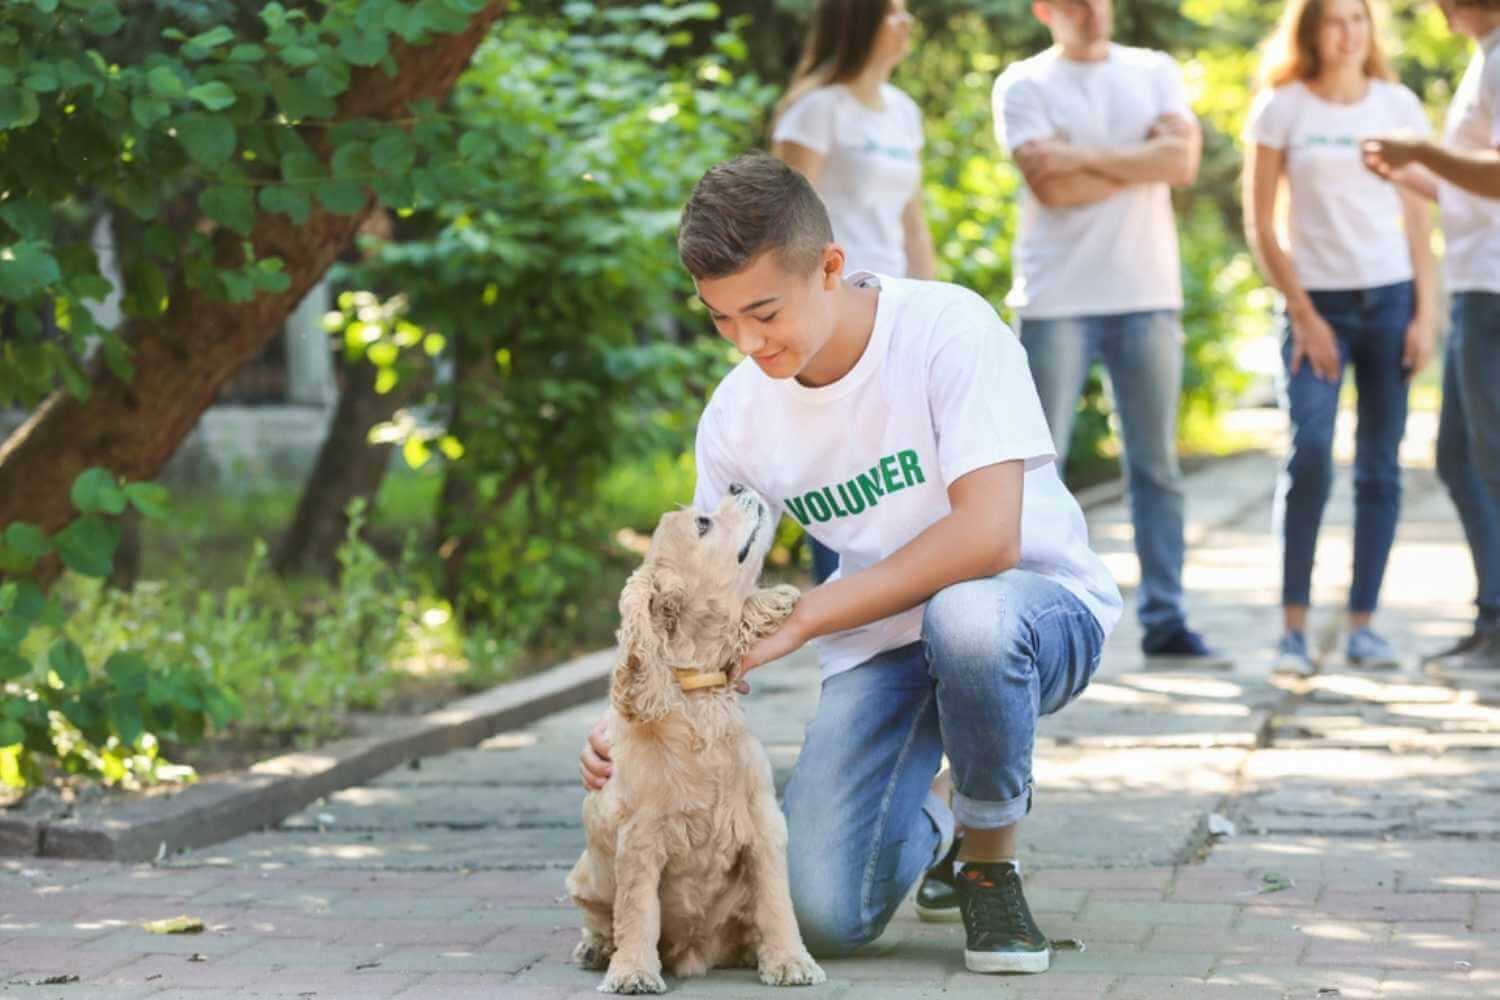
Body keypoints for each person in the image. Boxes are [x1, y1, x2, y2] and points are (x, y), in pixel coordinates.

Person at [580, 153, 1122, 975]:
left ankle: (989, 862)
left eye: (763, 311)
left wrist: (805, 619)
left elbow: (989, 539)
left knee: (967, 619)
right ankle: (948, 806)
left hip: (1031, 613)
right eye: (721, 319)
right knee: (820, 914)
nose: (747, 342)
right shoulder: (736, 419)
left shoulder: (949, 330)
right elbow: (703, 591)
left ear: (830, 267)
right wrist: (627, 715)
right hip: (884, 643)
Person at [990, 0, 1225, 671]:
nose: (1092, 10)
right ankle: (1032, 619)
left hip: (1147, 295)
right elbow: (1049, 185)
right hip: (1056, 299)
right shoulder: (1025, 83)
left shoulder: (1154, 70)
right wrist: (1135, 159)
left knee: (1157, 470)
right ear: (1045, 10)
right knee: (1038, 470)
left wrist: (1082, 158)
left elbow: (1180, 162)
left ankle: (1166, 618)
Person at [1242, 0, 1439, 674]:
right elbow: (1261, 225)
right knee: (1311, 454)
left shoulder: (1400, 105)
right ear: (1311, 31)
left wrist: (1426, 312)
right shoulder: (1283, 107)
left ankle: (1364, 625)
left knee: (1382, 469)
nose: (1348, 32)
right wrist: (1302, 312)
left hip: (1389, 303)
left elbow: (1419, 219)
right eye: (1334, 20)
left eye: (1358, 18)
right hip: (1314, 308)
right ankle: (1293, 631)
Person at [771, 0, 937, 585]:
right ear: (859, 20)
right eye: (893, 11)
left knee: (905, 476)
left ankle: (904, 621)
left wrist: (935, 311)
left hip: (894, 315)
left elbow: (912, 225)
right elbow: (781, 227)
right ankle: (847, 634)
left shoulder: (904, 113)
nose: (906, 22)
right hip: (831, 323)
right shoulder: (816, 112)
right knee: (844, 480)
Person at [1362, 0, 1500, 669]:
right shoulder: (1485, 58)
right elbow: (1473, 187)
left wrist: (1420, 149)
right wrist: (1409, 172)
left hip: (1495, 291)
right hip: (1476, 282)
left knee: (1490, 459)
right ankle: (1492, 615)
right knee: (1458, 456)